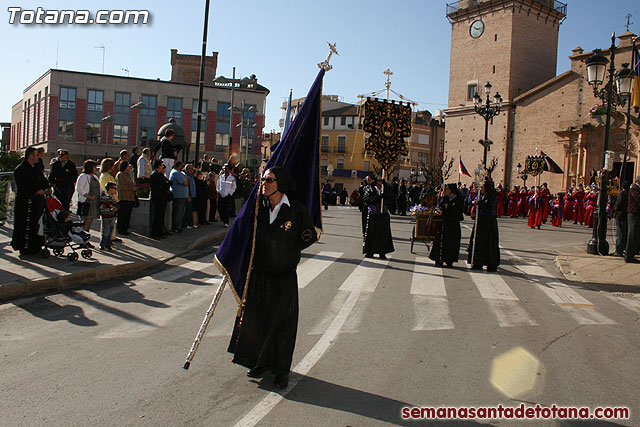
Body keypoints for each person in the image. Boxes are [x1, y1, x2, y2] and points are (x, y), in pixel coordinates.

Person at [228, 166, 318, 389]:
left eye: (269, 180)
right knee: (258, 323)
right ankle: (259, 362)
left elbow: (308, 237)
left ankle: (281, 371)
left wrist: (288, 251)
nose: (264, 183)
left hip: (283, 278)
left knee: (282, 327)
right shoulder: (257, 208)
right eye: (263, 179)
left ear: (282, 183)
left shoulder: (295, 210)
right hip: (260, 276)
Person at [11, 147, 50, 255]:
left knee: (36, 224)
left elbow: (42, 180)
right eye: (36, 155)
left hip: (37, 202)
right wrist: (37, 191)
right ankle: (25, 247)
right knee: (25, 225)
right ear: (30, 156)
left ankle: (35, 246)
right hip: (25, 202)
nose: (38, 157)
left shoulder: (36, 168)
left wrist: (47, 187)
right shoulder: (20, 170)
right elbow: (23, 187)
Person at [468, 179, 500, 272]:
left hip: (488, 224)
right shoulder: (482, 196)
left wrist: (480, 203)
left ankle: (490, 263)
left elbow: (489, 208)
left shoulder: (491, 197)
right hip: (481, 223)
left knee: (488, 244)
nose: (480, 189)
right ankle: (478, 262)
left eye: (482, 187)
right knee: (479, 243)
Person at [429, 183, 464, 267]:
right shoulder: (445, 198)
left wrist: (449, 207)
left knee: (452, 243)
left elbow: (459, 211)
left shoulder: (459, 199)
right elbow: (441, 206)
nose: (446, 191)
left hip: (453, 224)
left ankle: (449, 260)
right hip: (444, 223)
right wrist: (442, 208)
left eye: (448, 189)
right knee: (439, 242)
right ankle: (438, 260)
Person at [362, 175, 394, 259]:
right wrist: (377, 198)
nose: (381, 182)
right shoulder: (369, 189)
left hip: (383, 214)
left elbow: (391, 199)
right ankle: (370, 251)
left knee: (383, 234)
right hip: (374, 214)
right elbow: (366, 200)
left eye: (382, 181)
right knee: (371, 233)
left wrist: (385, 196)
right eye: (379, 180)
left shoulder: (386, 189)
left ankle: (382, 252)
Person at [76, 160, 101, 234]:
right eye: (94, 167)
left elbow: (99, 188)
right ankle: (83, 238)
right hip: (87, 202)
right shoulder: (83, 176)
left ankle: (86, 237)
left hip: (94, 202)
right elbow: (79, 188)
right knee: (86, 221)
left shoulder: (95, 177)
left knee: (90, 222)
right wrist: (88, 196)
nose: (96, 169)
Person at [150, 160, 171, 239]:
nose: (163, 166)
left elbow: (168, 183)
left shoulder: (160, 175)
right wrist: (166, 183)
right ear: (159, 166)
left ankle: (160, 232)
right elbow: (164, 184)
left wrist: (166, 183)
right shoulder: (155, 175)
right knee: (158, 216)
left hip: (162, 198)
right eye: (162, 165)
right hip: (157, 198)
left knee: (161, 216)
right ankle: (155, 233)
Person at [116, 161, 136, 236]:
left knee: (128, 214)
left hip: (130, 197)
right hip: (124, 197)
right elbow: (121, 186)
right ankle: (121, 229)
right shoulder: (120, 175)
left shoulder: (127, 175)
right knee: (123, 214)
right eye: (128, 166)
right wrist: (131, 188)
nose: (129, 168)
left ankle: (125, 228)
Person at [170, 161, 189, 233]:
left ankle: (178, 226)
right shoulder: (176, 173)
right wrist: (186, 179)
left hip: (183, 195)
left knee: (181, 212)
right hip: (178, 196)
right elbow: (185, 182)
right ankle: (175, 226)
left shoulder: (180, 173)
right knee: (178, 212)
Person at [625, 176, 640, 263]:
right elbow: (638, 199)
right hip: (633, 214)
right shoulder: (634, 188)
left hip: (637, 214)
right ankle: (629, 256)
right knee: (632, 235)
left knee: (636, 235)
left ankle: (633, 254)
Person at [99, 183, 118, 250]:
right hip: (106, 216)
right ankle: (103, 244)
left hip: (112, 215)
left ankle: (108, 244)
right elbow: (102, 208)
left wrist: (115, 208)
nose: (115, 190)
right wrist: (110, 209)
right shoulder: (104, 197)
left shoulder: (112, 197)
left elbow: (114, 205)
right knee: (106, 231)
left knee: (110, 230)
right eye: (114, 188)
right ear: (110, 189)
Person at [614, 181, 630, 257]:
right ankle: (622, 248)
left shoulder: (622, 193)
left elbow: (618, 204)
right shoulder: (629, 193)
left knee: (619, 233)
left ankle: (618, 250)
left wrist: (615, 210)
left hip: (620, 215)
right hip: (626, 215)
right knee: (624, 233)